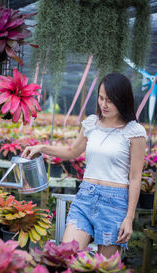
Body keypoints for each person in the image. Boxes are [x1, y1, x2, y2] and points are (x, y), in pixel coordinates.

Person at [22, 72, 147, 258]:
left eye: (110, 100)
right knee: (67, 257)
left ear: (123, 100)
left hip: (114, 204)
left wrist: (129, 218)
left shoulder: (134, 131)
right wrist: (41, 147)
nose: (103, 105)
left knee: (104, 271)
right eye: (101, 98)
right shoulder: (91, 123)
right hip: (85, 197)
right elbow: (72, 152)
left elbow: (135, 177)